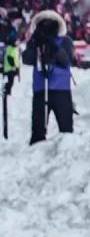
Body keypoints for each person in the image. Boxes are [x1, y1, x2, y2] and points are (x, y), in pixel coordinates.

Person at [21, 10, 75, 145]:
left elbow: (66, 61)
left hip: (61, 89)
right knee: (38, 130)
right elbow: (27, 59)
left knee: (66, 129)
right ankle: (35, 152)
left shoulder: (65, 41)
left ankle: (67, 152)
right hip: (40, 89)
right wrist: (34, 42)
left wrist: (52, 44)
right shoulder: (36, 42)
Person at [2, 27, 20, 96]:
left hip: (11, 68)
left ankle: (7, 91)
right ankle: (6, 91)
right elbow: (10, 58)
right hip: (10, 68)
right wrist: (14, 66)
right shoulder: (11, 48)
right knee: (10, 81)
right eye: (17, 41)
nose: (18, 42)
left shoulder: (13, 48)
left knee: (11, 81)